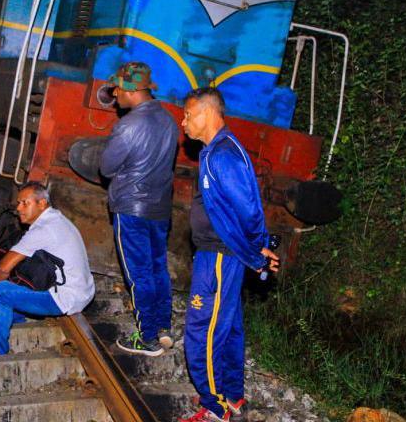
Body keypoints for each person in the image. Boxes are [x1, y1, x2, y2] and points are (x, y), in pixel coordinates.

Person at [178, 87, 280, 422]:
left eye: (188, 115)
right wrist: (255, 248)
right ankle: (231, 394)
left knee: (201, 329)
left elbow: (248, 208)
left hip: (220, 257)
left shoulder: (222, 155)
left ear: (207, 113)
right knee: (229, 326)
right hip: (222, 254)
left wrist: (257, 248)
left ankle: (214, 406)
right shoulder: (217, 150)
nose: (184, 122)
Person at [100, 61, 179, 356]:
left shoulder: (129, 125)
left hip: (131, 208)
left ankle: (146, 337)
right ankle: (162, 328)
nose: (115, 94)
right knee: (158, 267)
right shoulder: (169, 120)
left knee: (138, 273)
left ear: (130, 90)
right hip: (160, 208)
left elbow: (106, 167)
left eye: (117, 88)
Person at [0, 182, 95, 355]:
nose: (19, 208)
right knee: (17, 278)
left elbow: (4, 268)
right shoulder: (57, 219)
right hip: (84, 291)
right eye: (18, 203)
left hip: (66, 298)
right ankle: (16, 316)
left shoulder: (43, 230)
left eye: (25, 203)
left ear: (42, 203)